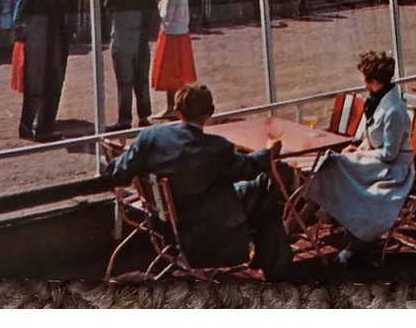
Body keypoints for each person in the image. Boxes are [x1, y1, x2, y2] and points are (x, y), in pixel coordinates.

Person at [102, 83, 291, 278]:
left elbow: (118, 173)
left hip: (164, 223)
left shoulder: (149, 138)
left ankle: (267, 255)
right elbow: (248, 168)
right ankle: (277, 269)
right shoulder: (216, 148)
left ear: (176, 111)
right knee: (264, 188)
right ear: (209, 112)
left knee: (259, 196)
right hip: (207, 230)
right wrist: (268, 151)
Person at [301, 51, 415, 266]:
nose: (363, 83)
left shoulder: (394, 112)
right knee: (333, 163)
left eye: (365, 79)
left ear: (372, 81)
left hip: (393, 172)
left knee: (334, 165)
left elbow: (389, 154)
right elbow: (370, 139)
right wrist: (357, 148)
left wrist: (358, 154)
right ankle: (299, 221)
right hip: (375, 163)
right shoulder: (375, 102)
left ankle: (343, 247)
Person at [12, 0, 77, 142]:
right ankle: (43, 129)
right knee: (50, 84)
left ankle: (27, 126)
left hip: (35, 45)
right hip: (46, 46)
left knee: (34, 86)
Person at [106, 0, 161, 130]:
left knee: (124, 83)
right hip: (141, 43)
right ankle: (144, 116)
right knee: (142, 80)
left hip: (122, 43)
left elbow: (107, 17)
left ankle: (124, 120)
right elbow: (154, 19)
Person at [150, 0, 196, 120]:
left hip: (171, 37)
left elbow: (166, 18)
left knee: (168, 74)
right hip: (183, 35)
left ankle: (170, 108)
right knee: (181, 74)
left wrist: (158, 6)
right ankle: (180, 106)